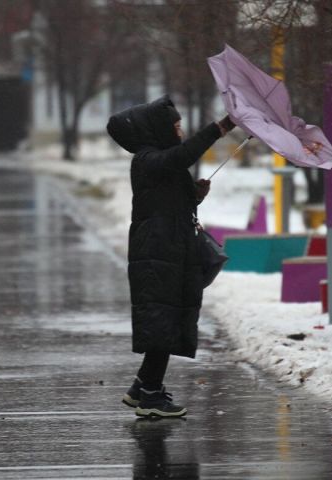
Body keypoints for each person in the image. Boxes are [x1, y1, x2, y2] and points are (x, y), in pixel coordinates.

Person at [106, 95, 235, 417]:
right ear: (158, 129)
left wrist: (194, 195)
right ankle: (150, 395)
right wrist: (219, 129)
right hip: (157, 252)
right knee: (162, 320)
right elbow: (182, 156)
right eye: (175, 126)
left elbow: (167, 199)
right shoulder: (147, 159)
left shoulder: (160, 161)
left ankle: (144, 386)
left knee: (167, 318)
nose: (179, 131)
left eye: (180, 126)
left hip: (168, 248)